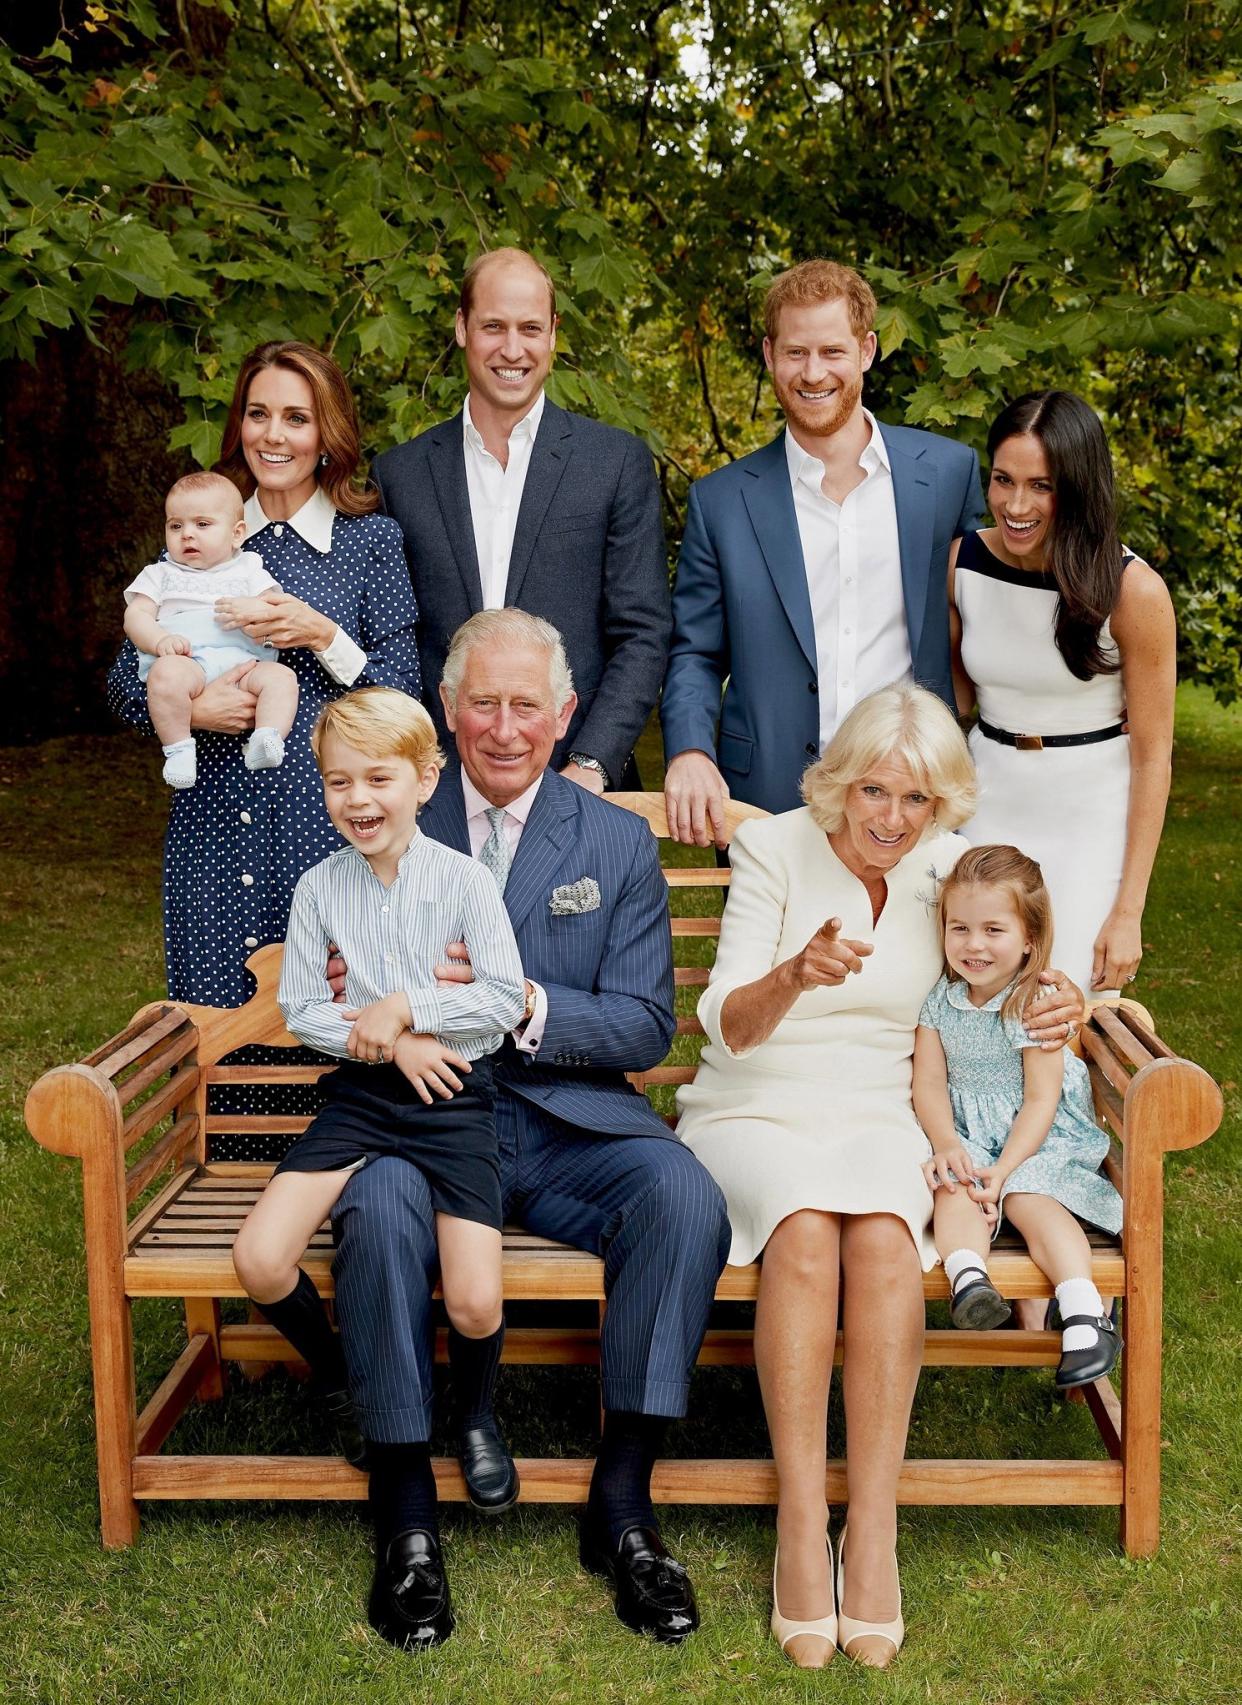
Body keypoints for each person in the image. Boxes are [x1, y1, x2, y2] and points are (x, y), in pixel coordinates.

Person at [327, 610, 730, 1653]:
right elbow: (335, 964)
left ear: (565, 715)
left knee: (682, 1196)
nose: (504, 729)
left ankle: (625, 1501)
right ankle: (407, 1512)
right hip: (422, 1118)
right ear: (448, 713)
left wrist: (524, 1004)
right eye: (481, 704)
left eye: (525, 706)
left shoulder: (613, 840)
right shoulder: (392, 813)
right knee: (372, 1207)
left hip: (567, 1119)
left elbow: (644, 1025)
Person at [674, 684, 1083, 1669]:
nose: (892, 818)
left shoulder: (946, 869)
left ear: (941, 806)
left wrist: (1062, 998)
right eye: (874, 792)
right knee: (807, 1230)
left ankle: (877, 1526)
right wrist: (792, 974)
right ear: (839, 784)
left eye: (917, 800)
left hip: (882, 1108)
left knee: (890, 1241)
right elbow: (723, 1021)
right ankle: (803, 1522)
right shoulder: (773, 847)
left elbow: (1017, 951)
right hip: (756, 1098)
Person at [232, 688, 527, 1532]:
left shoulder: (467, 881)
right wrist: (388, 1039)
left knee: (475, 1301)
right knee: (259, 1257)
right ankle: (341, 1377)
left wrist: (407, 1005)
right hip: (364, 1094)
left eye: (379, 778)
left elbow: (502, 999)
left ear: (427, 779)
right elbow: (302, 1008)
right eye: (338, 782)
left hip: (452, 1099)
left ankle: (472, 1413)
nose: (358, 800)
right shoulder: (320, 888)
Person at [107, 342, 421, 1132]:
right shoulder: (204, 529)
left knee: (335, 1031)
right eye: (257, 414)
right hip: (212, 828)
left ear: (329, 432)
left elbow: (404, 694)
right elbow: (120, 679)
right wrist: (188, 712)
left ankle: (336, 1210)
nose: (273, 435)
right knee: (219, 1036)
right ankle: (230, 1202)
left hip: (328, 836)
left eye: (296, 416)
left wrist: (322, 634)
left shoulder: (369, 542)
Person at [661, 258, 983, 843]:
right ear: (768, 354)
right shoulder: (722, 501)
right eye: (795, 352)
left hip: (915, 796)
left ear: (866, 350)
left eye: (832, 351)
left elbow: (985, 617)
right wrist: (688, 750)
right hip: (766, 799)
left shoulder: (946, 476)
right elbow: (695, 654)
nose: (813, 373)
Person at [372, 246, 671, 792]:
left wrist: (592, 763)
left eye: (530, 328)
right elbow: (394, 639)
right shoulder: (399, 476)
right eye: (493, 326)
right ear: (462, 327)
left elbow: (642, 634)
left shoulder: (614, 463)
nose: (513, 349)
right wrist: (423, 762)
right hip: (439, 790)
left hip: (579, 781)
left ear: (553, 333)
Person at [949, 390, 1176, 995]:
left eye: (1041, 486)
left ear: (1076, 487)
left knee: (1062, 1008)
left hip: (1089, 818)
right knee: (972, 1000)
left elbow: (1154, 757)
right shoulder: (962, 565)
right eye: (1002, 480)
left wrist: (1128, 912)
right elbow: (953, 704)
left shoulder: (1134, 591)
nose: (1015, 505)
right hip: (986, 804)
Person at [915, 844, 1123, 1389]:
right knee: (952, 1187)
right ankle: (971, 1281)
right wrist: (946, 1144)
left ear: (1030, 938)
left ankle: (1082, 1312)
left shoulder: (1035, 1001)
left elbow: (1040, 1101)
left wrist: (1004, 1171)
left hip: (1037, 1139)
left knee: (1030, 1199)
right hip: (968, 1135)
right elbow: (930, 1084)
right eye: (959, 928)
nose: (973, 944)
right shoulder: (940, 1000)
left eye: (993, 930)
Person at [123, 471, 299, 788]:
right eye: (176, 525)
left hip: (244, 663)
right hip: (187, 661)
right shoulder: (160, 574)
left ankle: (267, 737)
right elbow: (136, 616)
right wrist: (159, 640)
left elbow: (276, 610)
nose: (187, 534)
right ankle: (178, 748)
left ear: (236, 534)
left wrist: (257, 610)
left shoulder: (250, 568)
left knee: (282, 679)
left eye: (202, 525)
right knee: (165, 677)